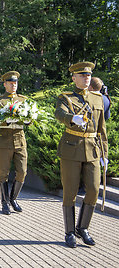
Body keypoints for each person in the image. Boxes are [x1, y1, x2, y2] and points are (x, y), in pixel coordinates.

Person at [55, 62, 108, 248]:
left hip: (93, 150)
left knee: (93, 190)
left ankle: (82, 228)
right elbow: (59, 113)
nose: (86, 78)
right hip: (71, 148)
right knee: (70, 192)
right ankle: (69, 232)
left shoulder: (98, 98)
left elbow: (102, 128)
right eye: (82, 75)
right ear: (74, 78)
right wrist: (71, 118)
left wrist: (105, 154)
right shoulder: (65, 98)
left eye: (88, 75)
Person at [0, 71, 28, 215]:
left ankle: (13, 198)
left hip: (20, 140)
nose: (14, 85)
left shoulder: (23, 100)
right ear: (5, 84)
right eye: (11, 83)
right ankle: (4, 202)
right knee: (3, 173)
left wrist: (28, 120)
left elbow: (29, 116)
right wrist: (6, 120)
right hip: (4, 141)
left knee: (22, 171)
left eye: (16, 83)